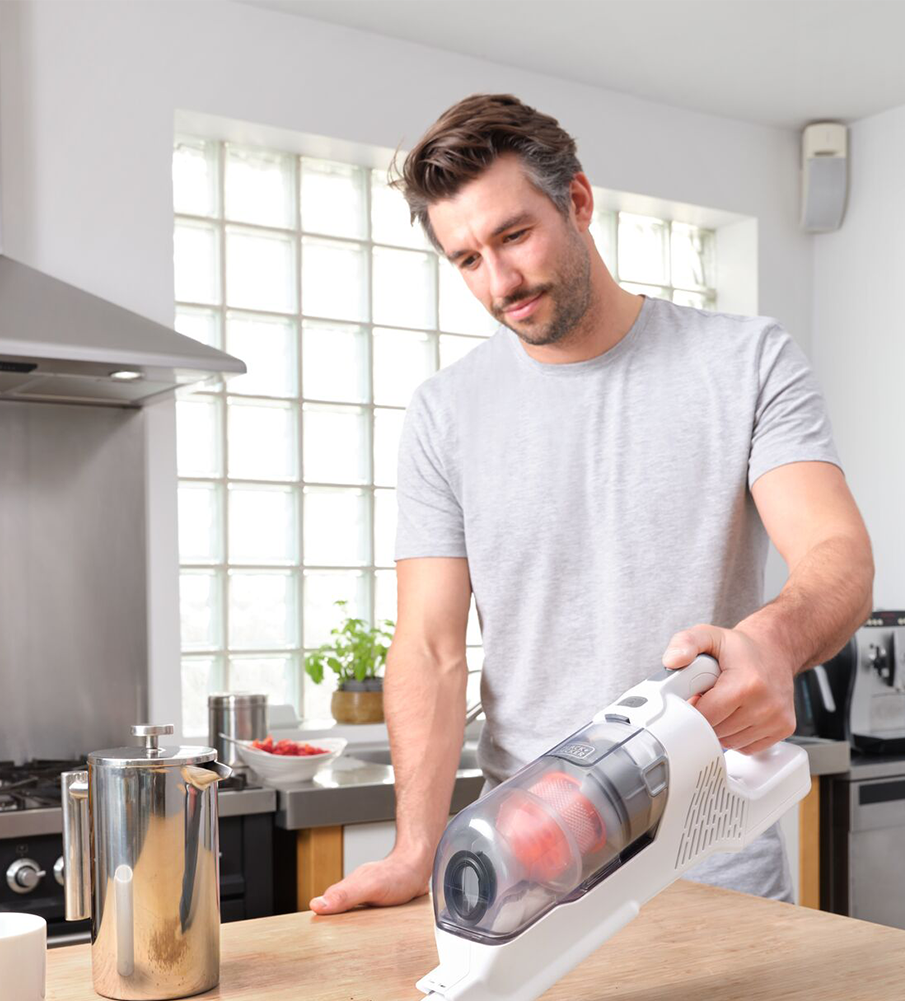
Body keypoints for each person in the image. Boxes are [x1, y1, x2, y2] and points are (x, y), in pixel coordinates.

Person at [310, 93, 873, 915]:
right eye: (466, 260)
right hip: (528, 870)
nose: (500, 282)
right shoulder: (445, 412)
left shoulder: (746, 360)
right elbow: (430, 648)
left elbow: (837, 556)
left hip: (715, 863)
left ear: (577, 201)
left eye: (513, 236)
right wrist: (414, 848)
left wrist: (773, 642)